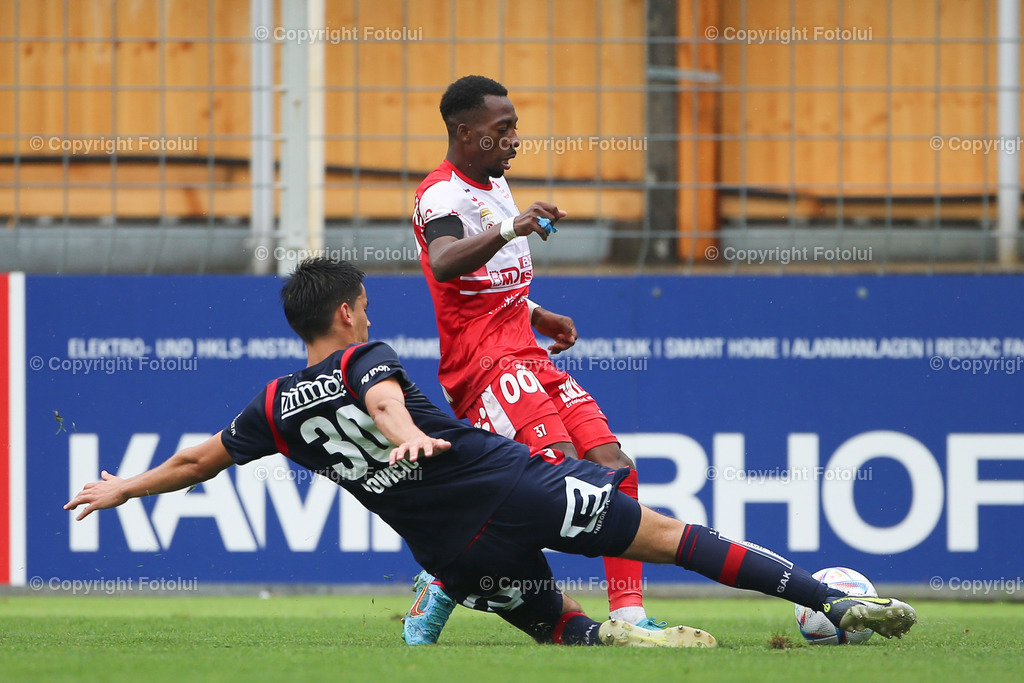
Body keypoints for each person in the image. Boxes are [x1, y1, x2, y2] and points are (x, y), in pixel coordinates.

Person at [65, 258, 918, 649]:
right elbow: (385, 400)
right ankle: (830, 604)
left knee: (561, 631)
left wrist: (122, 489)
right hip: (511, 489)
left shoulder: (276, 406)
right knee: (662, 532)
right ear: (352, 313)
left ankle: (617, 640)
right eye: (365, 304)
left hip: (452, 553)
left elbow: (197, 462)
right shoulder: (369, 360)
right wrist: (407, 435)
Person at [407, 74, 656, 643]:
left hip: (524, 350)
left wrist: (536, 311)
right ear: (466, 133)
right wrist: (509, 227)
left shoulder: (493, 183)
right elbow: (445, 262)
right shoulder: (441, 194)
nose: (516, 139)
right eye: (504, 129)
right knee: (559, 485)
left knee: (615, 467)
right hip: (484, 364)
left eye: (516, 127)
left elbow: (486, 278)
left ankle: (630, 615)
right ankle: (444, 575)